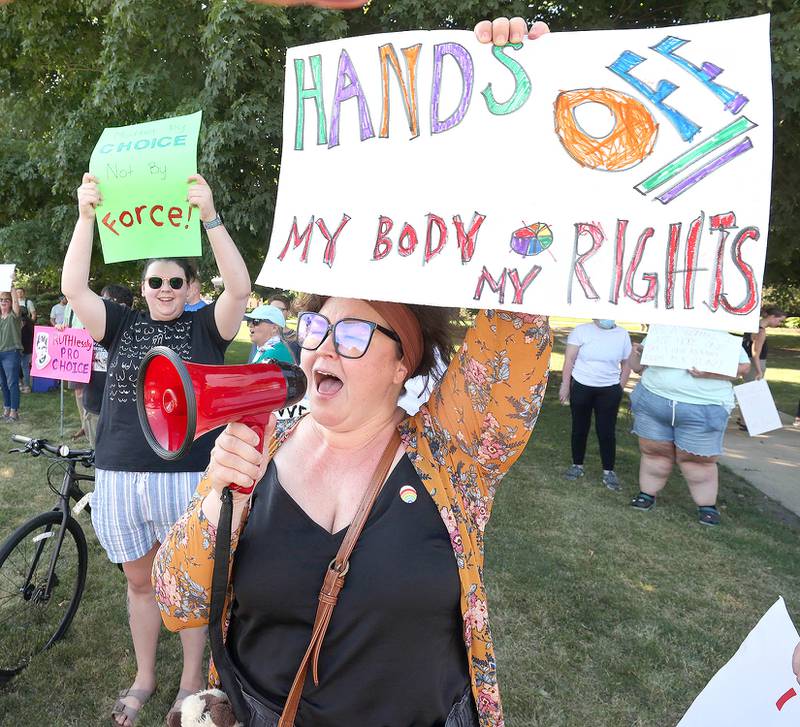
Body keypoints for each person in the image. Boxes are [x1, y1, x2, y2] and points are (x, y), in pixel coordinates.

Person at [151, 26, 551, 727]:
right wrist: (222, 497)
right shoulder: (265, 448)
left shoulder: (450, 454)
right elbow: (179, 596)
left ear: (407, 360)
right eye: (318, 327)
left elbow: (516, 322)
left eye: (358, 331)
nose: (325, 347)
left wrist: (517, 107)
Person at [62, 171, 250, 727]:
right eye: (155, 282)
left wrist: (211, 215)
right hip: (121, 473)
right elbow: (74, 288)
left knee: (189, 582)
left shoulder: (206, 331)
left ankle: (191, 680)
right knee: (140, 582)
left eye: (175, 282)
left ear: (190, 287)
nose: (165, 290)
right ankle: (145, 676)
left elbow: (239, 287)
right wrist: (85, 217)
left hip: (186, 474)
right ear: (142, 288)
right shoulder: (119, 325)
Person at [627, 333, 751, 526]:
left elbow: (744, 367)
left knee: (698, 460)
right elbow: (638, 368)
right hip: (654, 401)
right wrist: (635, 353)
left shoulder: (721, 336)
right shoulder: (662, 331)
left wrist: (710, 373)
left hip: (704, 408)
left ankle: (707, 507)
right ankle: (646, 494)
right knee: (654, 452)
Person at [559, 319, 632, 491]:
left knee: (606, 431)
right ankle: (577, 465)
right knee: (579, 428)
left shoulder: (622, 334)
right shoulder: (581, 331)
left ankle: (609, 471)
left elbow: (627, 364)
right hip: (582, 386)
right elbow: (569, 359)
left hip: (608, 389)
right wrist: (565, 384)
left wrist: (619, 388)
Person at [82, 284, 134, 447]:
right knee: (97, 456)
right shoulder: (89, 328)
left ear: (121, 306)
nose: (99, 305)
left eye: (104, 301)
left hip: (123, 411)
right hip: (94, 404)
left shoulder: (136, 332)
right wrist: (62, 333)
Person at [742, 306, 786, 382]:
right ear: (772, 317)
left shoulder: (752, 326)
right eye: (779, 320)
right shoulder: (761, 331)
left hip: (748, 362)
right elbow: (755, 353)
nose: (779, 323)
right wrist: (759, 371)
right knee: (753, 391)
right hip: (755, 365)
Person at [0, 289, 23, 421]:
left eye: (6, 300)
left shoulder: (14, 315)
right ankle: (6, 409)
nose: (3, 302)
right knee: (3, 383)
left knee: (12, 383)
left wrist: (12, 286)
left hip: (11, 353)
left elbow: (16, 301)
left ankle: (14, 412)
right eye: (1, 300)